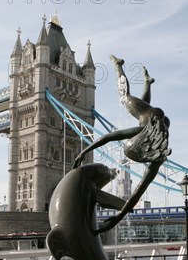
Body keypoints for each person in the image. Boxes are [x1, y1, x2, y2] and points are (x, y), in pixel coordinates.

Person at [73, 55, 171, 233]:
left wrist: (118, 217)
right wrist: (84, 152)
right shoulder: (148, 141)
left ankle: (130, 72)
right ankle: (122, 68)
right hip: (152, 118)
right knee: (126, 98)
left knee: (133, 103)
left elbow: (136, 194)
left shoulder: (153, 148)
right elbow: (110, 137)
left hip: (155, 119)